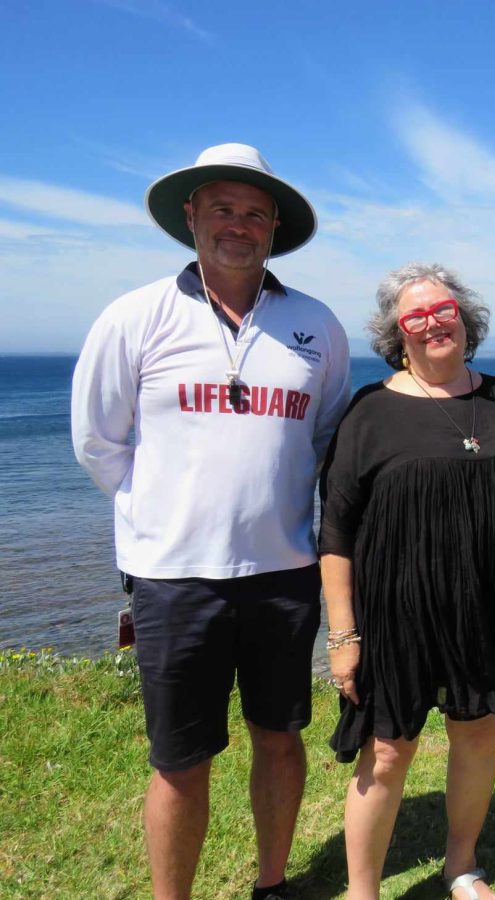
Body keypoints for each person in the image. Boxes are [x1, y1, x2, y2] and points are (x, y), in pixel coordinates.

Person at [71, 143, 352, 899]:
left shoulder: (316, 325)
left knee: (280, 738)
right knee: (179, 760)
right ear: (190, 215)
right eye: (222, 208)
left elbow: (323, 439)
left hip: (283, 573)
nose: (238, 224)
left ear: (275, 226)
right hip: (172, 578)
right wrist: (167, 518)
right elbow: (99, 443)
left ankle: (272, 884)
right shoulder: (134, 317)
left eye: (254, 212)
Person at [319, 263, 495, 900]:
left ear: (463, 317)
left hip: (487, 607)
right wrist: (343, 634)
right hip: (397, 614)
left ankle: (460, 864)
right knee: (388, 751)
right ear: (397, 333)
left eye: (441, 309)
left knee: (478, 734)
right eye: (414, 316)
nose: (431, 323)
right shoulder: (370, 411)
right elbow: (336, 532)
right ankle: (363, 891)